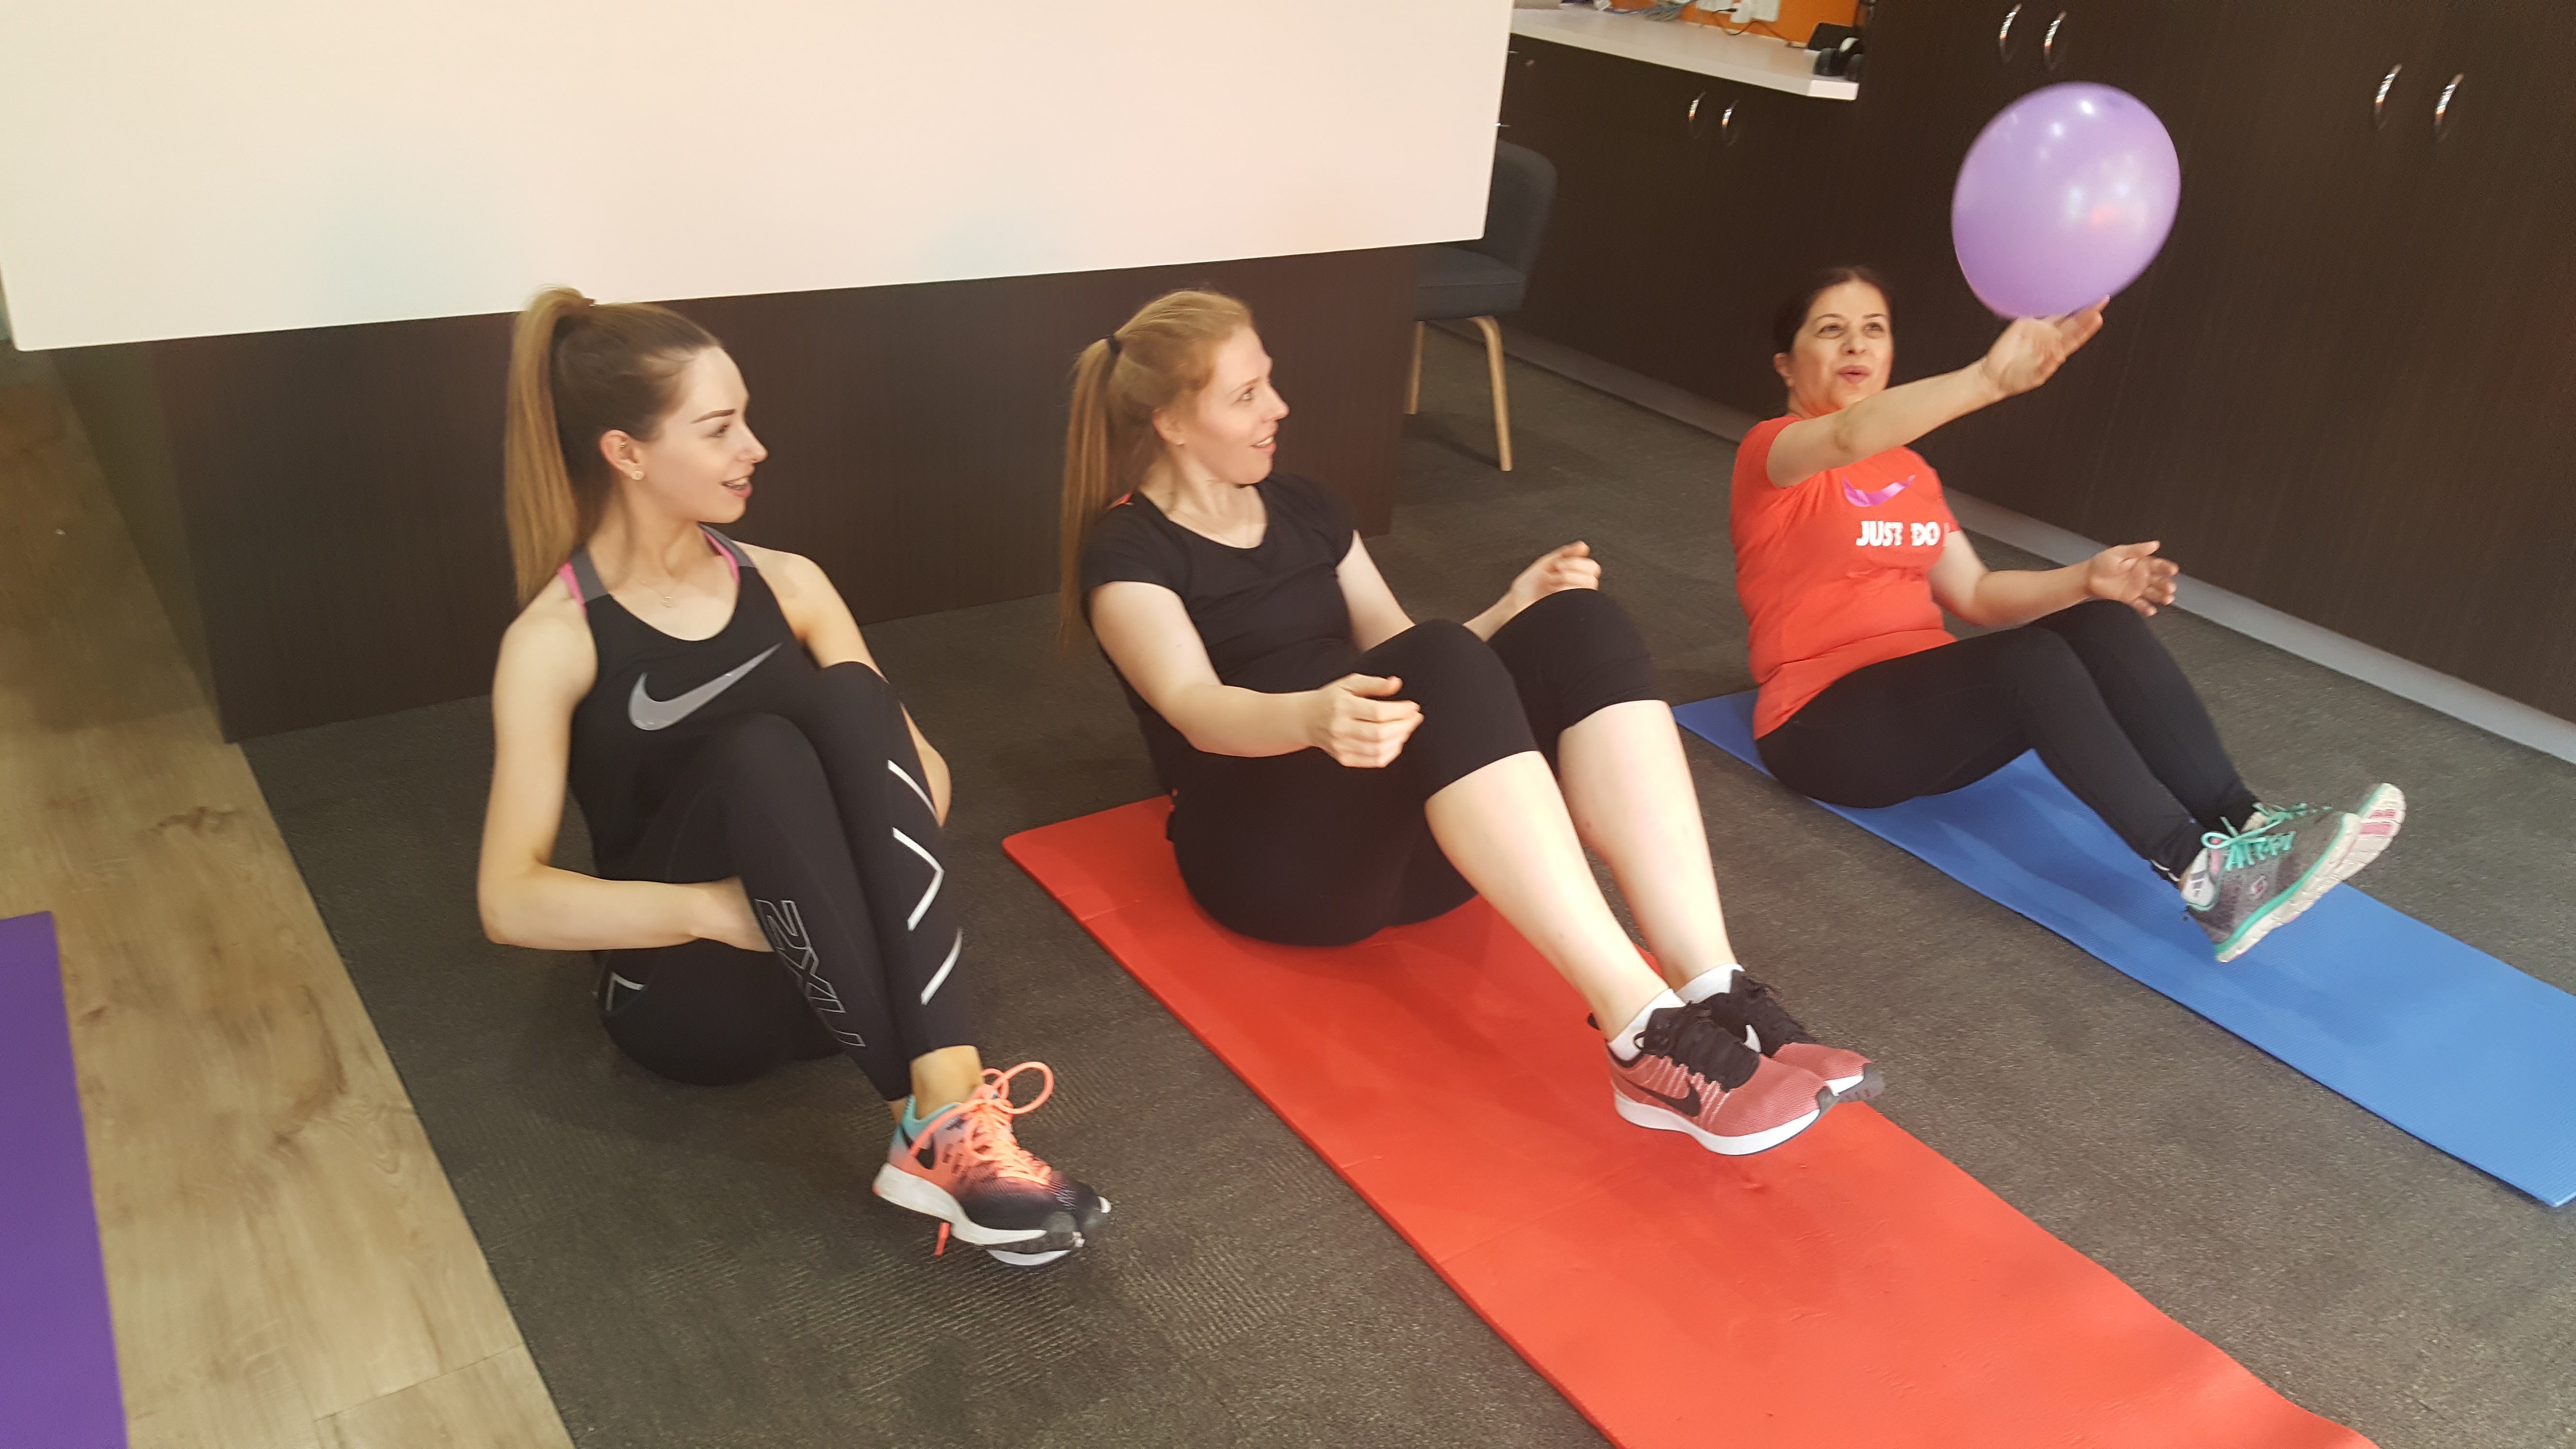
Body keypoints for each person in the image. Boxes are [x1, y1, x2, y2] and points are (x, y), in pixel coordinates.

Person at [1063, 289, 1878, 1159]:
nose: (1279, 407)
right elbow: (1193, 710)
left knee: (1578, 626)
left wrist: (1511, 609)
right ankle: (1642, 1035)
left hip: (1414, 857)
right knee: (1445, 656)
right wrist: (1311, 718)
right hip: (1272, 861)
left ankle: (1713, 984)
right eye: (1246, 395)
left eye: (1270, 382)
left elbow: (1404, 649)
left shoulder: (1306, 505)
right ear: (1172, 424)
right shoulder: (1129, 553)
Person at [474, 288, 1106, 1265]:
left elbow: (919, 775)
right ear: (626, 452)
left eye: (747, 420)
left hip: (839, 997)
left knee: (853, 701)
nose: (755, 447)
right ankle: (936, 1136)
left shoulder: (793, 581)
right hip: (693, 1009)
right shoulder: (554, 639)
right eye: (720, 428)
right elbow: (510, 902)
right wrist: (721, 910)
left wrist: (845, 883)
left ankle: (941, 1113)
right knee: (758, 751)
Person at [1734, 266, 2404, 962]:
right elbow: (1847, 438)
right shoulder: (1774, 453)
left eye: (1874, 330)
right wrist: (1989, 380)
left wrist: (2086, 578)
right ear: (1787, 365)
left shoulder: (1910, 473)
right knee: (2029, 661)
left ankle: (2246, 826)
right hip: (1818, 729)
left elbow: (1976, 594)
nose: (1857, 347)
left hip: (1917, 717)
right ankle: (2200, 876)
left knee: (2102, 622)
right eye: (1831, 331)